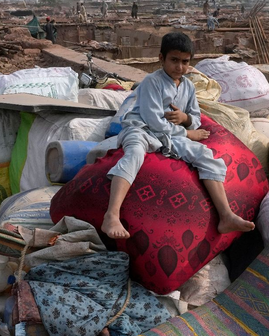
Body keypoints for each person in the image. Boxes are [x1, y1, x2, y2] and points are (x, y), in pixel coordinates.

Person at [101, 32, 255, 240]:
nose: (179, 67)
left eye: (185, 62)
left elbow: (196, 118)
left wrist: (185, 118)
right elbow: (152, 120)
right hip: (141, 129)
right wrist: (187, 132)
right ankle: (112, 215)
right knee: (134, 153)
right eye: (174, 60)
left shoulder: (188, 86)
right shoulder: (151, 82)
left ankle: (226, 215)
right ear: (161, 58)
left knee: (205, 154)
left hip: (170, 136)